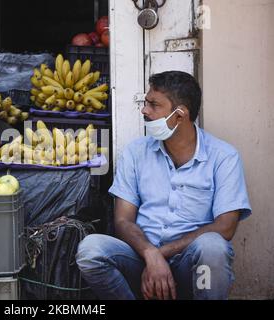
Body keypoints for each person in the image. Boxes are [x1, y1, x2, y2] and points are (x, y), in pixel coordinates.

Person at [76, 71, 252, 300]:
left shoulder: (224, 157)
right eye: (145, 103)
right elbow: (122, 220)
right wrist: (150, 254)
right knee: (91, 250)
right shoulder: (135, 152)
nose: (144, 110)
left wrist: (162, 254)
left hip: (191, 269)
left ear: (179, 116)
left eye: (153, 105)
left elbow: (226, 227)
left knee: (213, 248)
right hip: (140, 262)